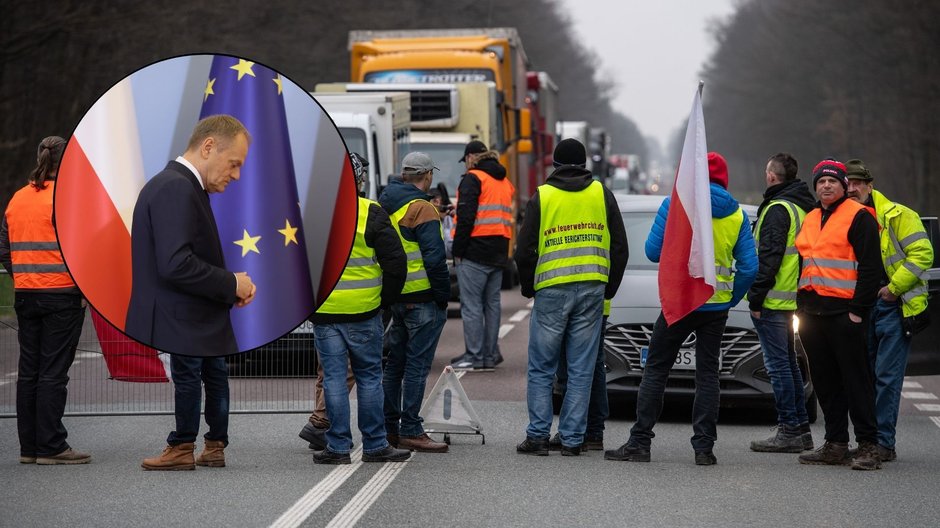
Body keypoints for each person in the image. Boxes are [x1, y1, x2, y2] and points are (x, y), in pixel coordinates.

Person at [606, 152, 757, 465]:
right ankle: (704, 448)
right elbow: (750, 267)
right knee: (708, 376)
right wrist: (730, 298)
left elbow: (650, 252)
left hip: (679, 303)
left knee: (656, 370)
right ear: (724, 179)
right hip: (714, 307)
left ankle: (640, 442)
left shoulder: (675, 206)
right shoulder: (738, 216)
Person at [136, 115, 256, 470]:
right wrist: (231, 283)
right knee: (210, 376)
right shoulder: (177, 187)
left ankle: (186, 447)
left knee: (206, 376)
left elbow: (184, 259)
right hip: (185, 312)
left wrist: (229, 286)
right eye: (233, 164)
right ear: (208, 147)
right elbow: (176, 264)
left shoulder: (181, 185)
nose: (235, 176)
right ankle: (202, 446)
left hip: (192, 311)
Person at [514, 138, 628, 456]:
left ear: (555, 164)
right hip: (592, 288)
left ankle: (537, 436)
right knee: (581, 367)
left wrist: (528, 286)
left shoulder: (543, 196)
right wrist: (610, 287)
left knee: (541, 367)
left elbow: (524, 250)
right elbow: (620, 246)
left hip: (551, 290)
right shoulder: (601, 194)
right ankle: (573, 439)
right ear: (584, 164)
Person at [310, 152, 411, 464]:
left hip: (326, 312)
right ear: (359, 181)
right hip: (365, 310)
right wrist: (385, 301)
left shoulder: (314, 214)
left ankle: (338, 446)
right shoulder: (372, 213)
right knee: (369, 377)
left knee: (334, 379)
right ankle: (376, 444)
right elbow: (396, 263)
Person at [0, 136, 90, 465]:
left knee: (29, 372)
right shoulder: (68, 199)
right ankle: (52, 446)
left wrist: (23, 277)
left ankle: (30, 448)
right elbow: (83, 249)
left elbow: (4, 250)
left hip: (26, 295)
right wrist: (83, 290)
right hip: (62, 295)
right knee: (53, 372)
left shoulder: (17, 199)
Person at [794, 159, 882, 470]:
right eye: (821, 182)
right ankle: (835, 443)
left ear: (845, 186)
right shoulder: (811, 217)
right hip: (812, 314)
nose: (826, 186)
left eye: (832, 181)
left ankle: (870, 445)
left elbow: (872, 269)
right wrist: (799, 307)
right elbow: (803, 265)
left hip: (845, 315)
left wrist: (858, 312)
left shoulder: (859, 217)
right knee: (825, 381)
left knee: (856, 380)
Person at [844, 158, 933, 462]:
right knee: (865, 376)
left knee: (885, 376)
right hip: (862, 307)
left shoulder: (899, 215)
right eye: (849, 184)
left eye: (858, 183)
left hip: (894, 306)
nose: (853, 188)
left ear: (870, 185)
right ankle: (869, 442)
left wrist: (893, 289)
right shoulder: (845, 218)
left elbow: (923, 254)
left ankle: (884, 443)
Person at [379, 151, 450, 453]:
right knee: (417, 368)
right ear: (427, 175)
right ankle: (410, 428)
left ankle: (387, 428)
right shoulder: (423, 208)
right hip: (422, 298)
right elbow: (435, 258)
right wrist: (443, 296)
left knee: (394, 365)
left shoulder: (384, 203)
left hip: (396, 295)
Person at [748, 153, 816, 453]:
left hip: (775, 300)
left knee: (778, 366)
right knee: (788, 364)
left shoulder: (777, 209)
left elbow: (770, 258)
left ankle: (789, 429)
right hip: (793, 298)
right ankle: (801, 428)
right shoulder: (801, 206)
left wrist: (756, 295)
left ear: (772, 176)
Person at [299, 153, 366, 450]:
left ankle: (319, 421)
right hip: (352, 303)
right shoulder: (362, 211)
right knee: (346, 369)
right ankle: (321, 422)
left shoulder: (317, 211)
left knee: (327, 368)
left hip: (322, 304)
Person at [450, 140, 515, 371]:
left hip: (474, 252)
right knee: (492, 304)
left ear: (470, 157)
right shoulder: (504, 181)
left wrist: (457, 251)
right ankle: (489, 354)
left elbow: (467, 219)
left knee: (472, 306)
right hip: (499, 251)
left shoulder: (473, 178)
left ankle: (474, 355)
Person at [549, 299, 613, 451]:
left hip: (574, 301)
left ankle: (574, 430)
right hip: (598, 302)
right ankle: (593, 432)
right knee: (595, 363)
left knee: (570, 366)